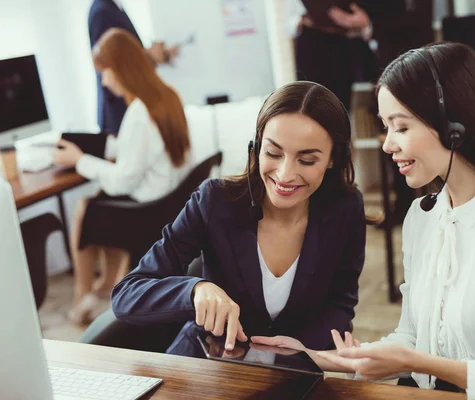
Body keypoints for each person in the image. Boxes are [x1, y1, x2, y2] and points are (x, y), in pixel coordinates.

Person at [252, 42, 475, 399]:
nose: (387, 144)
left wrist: (421, 363)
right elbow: (413, 338)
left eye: (400, 128)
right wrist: (326, 358)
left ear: (452, 126)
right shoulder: (422, 217)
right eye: (385, 127)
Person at [110, 81, 367, 355]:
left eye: (306, 160)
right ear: (256, 147)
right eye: (273, 153)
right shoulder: (214, 201)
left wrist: (302, 348)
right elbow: (127, 295)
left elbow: (341, 302)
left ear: (332, 159)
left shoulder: (346, 208)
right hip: (204, 366)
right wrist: (195, 290)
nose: (285, 174)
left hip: (294, 370)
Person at [52, 28, 193, 324]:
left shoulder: (139, 114)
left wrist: (79, 160)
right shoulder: (166, 96)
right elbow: (147, 150)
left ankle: (83, 296)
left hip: (149, 211)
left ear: (120, 69)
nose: (104, 81)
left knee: (86, 209)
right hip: (168, 198)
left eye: (105, 73)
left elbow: (122, 180)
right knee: (98, 201)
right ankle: (104, 285)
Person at [327, 0, 434, 226]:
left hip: (411, 70)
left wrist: (369, 24)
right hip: (378, 68)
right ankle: (404, 206)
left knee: (418, 141)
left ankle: (424, 205)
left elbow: (418, 20)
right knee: (391, 144)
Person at [88, 0, 179, 134]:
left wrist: (151, 55)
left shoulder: (113, 7)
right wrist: (149, 57)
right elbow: (112, 62)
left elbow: (124, 55)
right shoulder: (103, 11)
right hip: (121, 112)